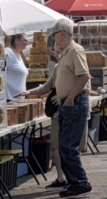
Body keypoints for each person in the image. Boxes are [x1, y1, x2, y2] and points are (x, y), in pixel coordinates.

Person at [17, 56, 88, 191]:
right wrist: (30, 92)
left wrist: (65, 97)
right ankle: (63, 178)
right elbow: (48, 86)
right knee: (57, 146)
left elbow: (85, 87)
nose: (59, 53)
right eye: (57, 50)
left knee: (73, 147)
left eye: (61, 49)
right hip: (58, 112)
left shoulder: (76, 63)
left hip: (74, 109)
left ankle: (75, 180)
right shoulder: (57, 67)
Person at [51, 17, 93, 198]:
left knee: (67, 146)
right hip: (69, 104)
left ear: (62, 33)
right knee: (65, 146)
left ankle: (80, 183)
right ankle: (76, 182)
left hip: (74, 104)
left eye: (53, 34)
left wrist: (69, 98)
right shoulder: (67, 52)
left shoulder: (75, 50)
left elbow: (84, 76)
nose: (53, 38)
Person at [5, 34, 29, 100]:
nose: (27, 43)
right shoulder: (8, 52)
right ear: (17, 40)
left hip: (18, 100)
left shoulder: (19, 55)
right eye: (25, 40)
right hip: (9, 99)